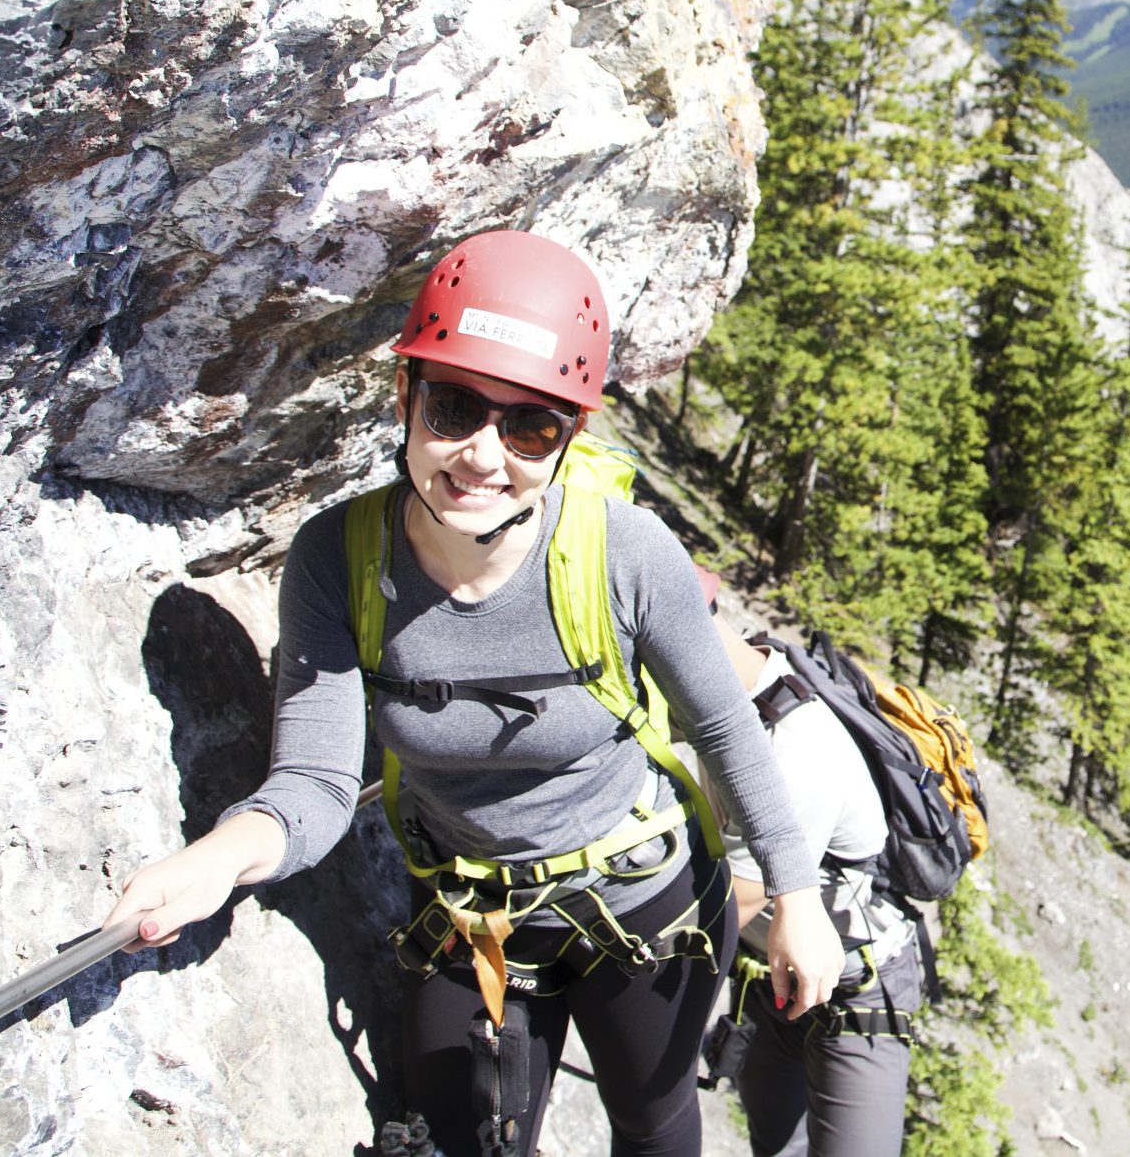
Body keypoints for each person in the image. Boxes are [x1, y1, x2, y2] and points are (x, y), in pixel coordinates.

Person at [104, 230, 843, 1157]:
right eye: (454, 408)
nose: (484, 456)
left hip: (642, 902)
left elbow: (728, 731)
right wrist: (214, 862)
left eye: (529, 426)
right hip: (471, 913)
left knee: (654, 1129)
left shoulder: (625, 554)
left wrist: (798, 898)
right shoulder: (339, 561)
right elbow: (317, 785)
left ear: (570, 438)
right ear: (405, 398)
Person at [702, 601, 921, 1157]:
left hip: (857, 988)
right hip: (776, 979)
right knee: (776, 1146)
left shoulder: (794, 751)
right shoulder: (728, 704)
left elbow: (717, 916)